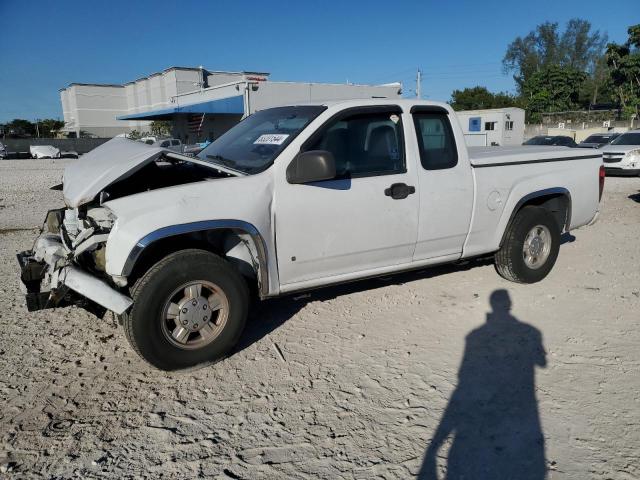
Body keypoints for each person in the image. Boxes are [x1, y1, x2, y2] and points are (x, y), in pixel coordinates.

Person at [419, 289, 547, 480]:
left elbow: (462, 373)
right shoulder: (530, 331)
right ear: (509, 305)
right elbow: (542, 362)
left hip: (482, 398)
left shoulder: (474, 335)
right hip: (520, 401)